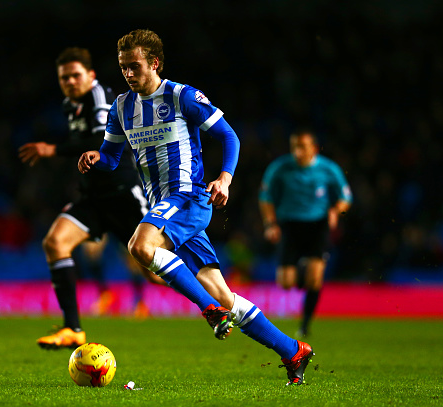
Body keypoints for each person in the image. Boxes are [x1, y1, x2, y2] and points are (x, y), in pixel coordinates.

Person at [78, 29, 314, 386]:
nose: (127, 73)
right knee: (224, 294)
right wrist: (96, 157)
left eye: (135, 66)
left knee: (140, 246)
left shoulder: (181, 96)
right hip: (165, 207)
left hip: (187, 196)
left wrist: (224, 178)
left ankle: (209, 310)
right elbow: (111, 158)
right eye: (123, 67)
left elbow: (228, 136)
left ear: (154, 63)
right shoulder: (121, 108)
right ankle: (292, 349)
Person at [19, 47, 163, 351]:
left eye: (76, 75)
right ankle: (72, 328)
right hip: (94, 198)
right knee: (55, 243)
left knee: (157, 275)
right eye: (64, 77)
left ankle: (216, 299)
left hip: (124, 195)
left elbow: (100, 139)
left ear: (91, 75)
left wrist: (52, 149)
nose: (70, 81)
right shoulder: (70, 106)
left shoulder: (99, 96)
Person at [259, 130, 352, 337]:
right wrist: (270, 224)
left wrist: (336, 211)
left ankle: (305, 324)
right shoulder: (280, 168)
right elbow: (265, 197)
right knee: (285, 282)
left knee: (315, 280)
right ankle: (302, 265)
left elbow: (345, 198)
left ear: (314, 149)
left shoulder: (329, 169)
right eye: (294, 147)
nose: (297, 152)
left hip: (317, 226)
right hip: (289, 225)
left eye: (302, 147)